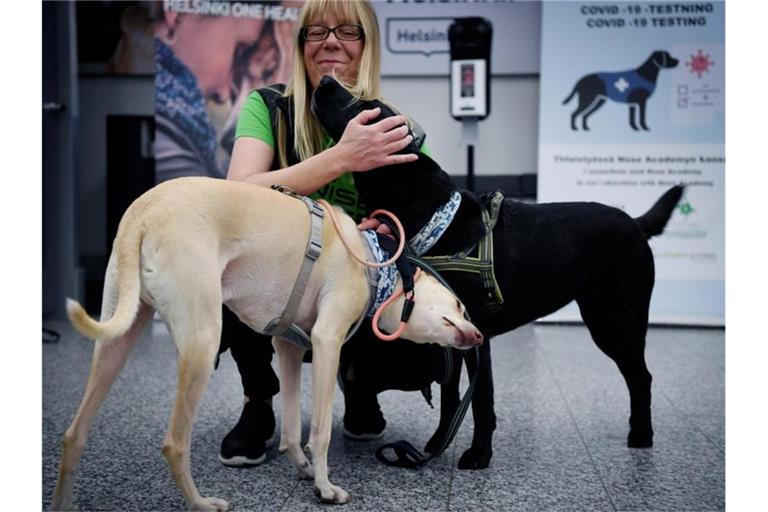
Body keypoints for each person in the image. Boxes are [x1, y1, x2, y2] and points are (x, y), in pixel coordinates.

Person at [219, 0, 428, 466]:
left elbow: (416, 223)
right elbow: (237, 194)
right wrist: (340, 158)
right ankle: (258, 402)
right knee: (234, 258)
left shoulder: (394, 128)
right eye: (315, 32)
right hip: (275, 278)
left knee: (405, 284)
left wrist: (391, 230)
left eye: (347, 31)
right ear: (300, 46)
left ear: (367, 46)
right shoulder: (269, 106)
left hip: (352, 283)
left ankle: (358, 383)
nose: (330, 41)